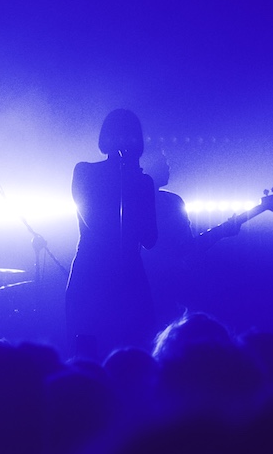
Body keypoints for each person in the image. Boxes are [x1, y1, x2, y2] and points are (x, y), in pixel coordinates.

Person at [66, 109, 158, 361]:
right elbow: (94, 222)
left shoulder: (143, 182)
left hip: (125, 276)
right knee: (89, 353)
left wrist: (137, 189)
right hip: (94, 276)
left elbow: (150, 239)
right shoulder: (85, 172)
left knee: (134, 353)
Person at [141, 150, 243, 326]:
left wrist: (223, 231)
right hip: (152, 285)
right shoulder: (147, 202)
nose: (167, 166)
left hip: (168, 285)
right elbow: (186, 248)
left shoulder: (174, 201)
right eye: (162, 162)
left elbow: (188, 246)